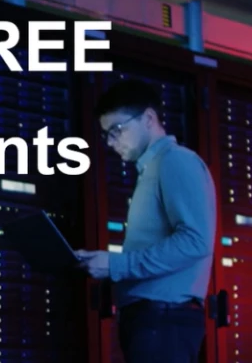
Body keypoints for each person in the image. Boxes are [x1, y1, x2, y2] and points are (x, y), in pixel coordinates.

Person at [75, 78, 217, 363]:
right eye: (106, 135)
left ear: (149, 118)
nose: (111, 142)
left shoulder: (175, 161)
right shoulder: (152, 169)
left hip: (163, 320)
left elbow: (195, 241)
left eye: (116, 130)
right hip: (152, 320)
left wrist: (115, 265)